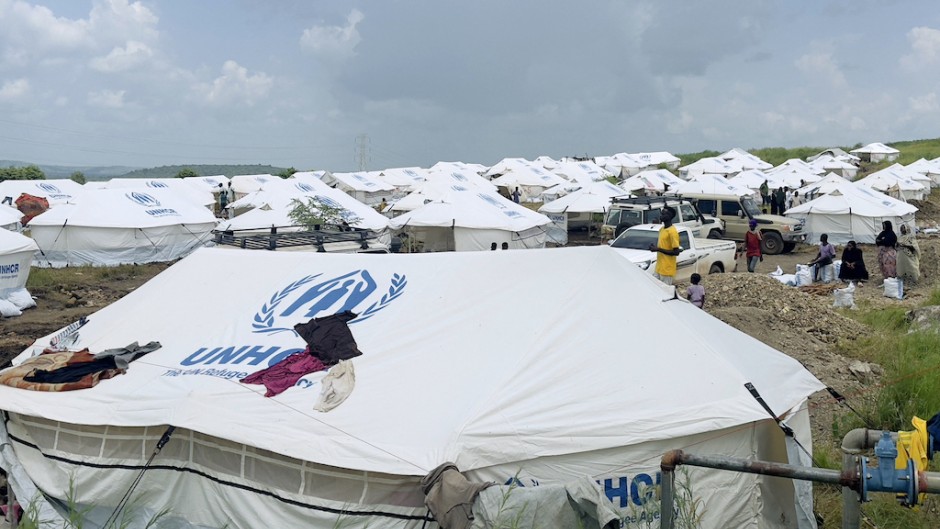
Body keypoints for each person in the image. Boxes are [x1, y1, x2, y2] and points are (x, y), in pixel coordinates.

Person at [648, 206, 681, 285]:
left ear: (669, 216)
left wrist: (658, 249)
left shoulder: (672, 232)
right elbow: (663, 245)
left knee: (665, 292)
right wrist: (654, 247)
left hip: (667, 269)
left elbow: (676, 252)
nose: (661, 216)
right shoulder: (662, 229)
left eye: (663, 214)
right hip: (659, 268)